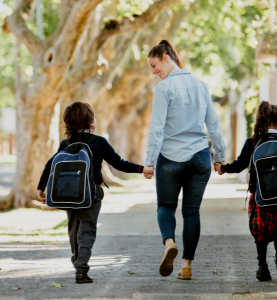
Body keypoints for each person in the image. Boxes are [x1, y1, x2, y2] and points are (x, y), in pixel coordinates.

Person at [36, 102, 155, 284]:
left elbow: (50, 164)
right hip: (91, 195)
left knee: (73, 230)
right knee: (87, 231)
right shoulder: (99, 142)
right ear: (90, 121)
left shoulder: (66, 143)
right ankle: (81, 269)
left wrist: (41, 187)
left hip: (70, 194)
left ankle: (77, 263)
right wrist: (143, 169)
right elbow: (119, 163)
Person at [144, 40, 225, 280]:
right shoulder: (201, 85)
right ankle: (186, 265)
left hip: (170, 158)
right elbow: (213, 124)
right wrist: (219, 157)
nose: (153, 71)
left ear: (166, 57)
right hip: (200, 156)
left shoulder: (164, 88)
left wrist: (149, 162)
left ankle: (169, 243)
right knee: (192, 213)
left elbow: (157, 128)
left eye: (154, 64)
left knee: (166, 206)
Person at [218, 101, 277, 281]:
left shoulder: (253, 142)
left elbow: (238, 166)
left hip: (261, 196)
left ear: (260, 120)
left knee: (260, 232)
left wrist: (223, 168)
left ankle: (262, 267)